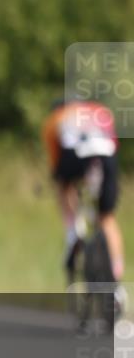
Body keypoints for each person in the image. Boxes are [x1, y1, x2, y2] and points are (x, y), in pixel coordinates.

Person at [42, 98, 124, 302]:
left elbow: (56, 165)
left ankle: (73, 232)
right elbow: (113, 144)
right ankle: (116, 278)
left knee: (64, 186)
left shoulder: (55, 118)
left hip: (74, 156)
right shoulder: (100, 110)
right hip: (106, 155)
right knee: (107, 217)